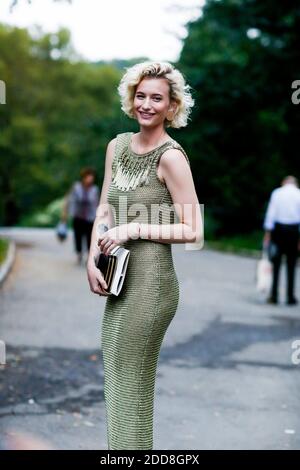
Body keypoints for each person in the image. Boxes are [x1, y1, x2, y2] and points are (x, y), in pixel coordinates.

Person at [86, 61, 203, 450]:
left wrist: (133, 228)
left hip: (152, 287)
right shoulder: (116, 147)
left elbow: (193, 229)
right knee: (117, 380)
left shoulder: (171, 157)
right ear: (131, 99)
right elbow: (104, 209)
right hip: (119, 282)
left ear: (172, 107)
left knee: (131, 385)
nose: (147, 104)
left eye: (157, 98)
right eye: (141, 96)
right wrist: (91, 257)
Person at [263, 175, 300, 305]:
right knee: (291, 265)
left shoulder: (277, 193)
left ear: (284, 182)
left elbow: (271, 214)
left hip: (278, 231)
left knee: (276, 264)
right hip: (293, 231)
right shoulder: (298, 194)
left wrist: (267, 233)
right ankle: (290, 297)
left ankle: (274, 295)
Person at [61, 167, 99, 265]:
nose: (90, 179)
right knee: (78, 236)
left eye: (92, 177)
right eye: (89, 176)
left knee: (89, 237)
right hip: (78, 217)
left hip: (90, 218)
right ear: (84, 177)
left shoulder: (95, 189)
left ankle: (88, 255)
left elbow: (97, 203)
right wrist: (64, 215)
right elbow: (68, 200)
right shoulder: (76, 187)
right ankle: (79, 253)